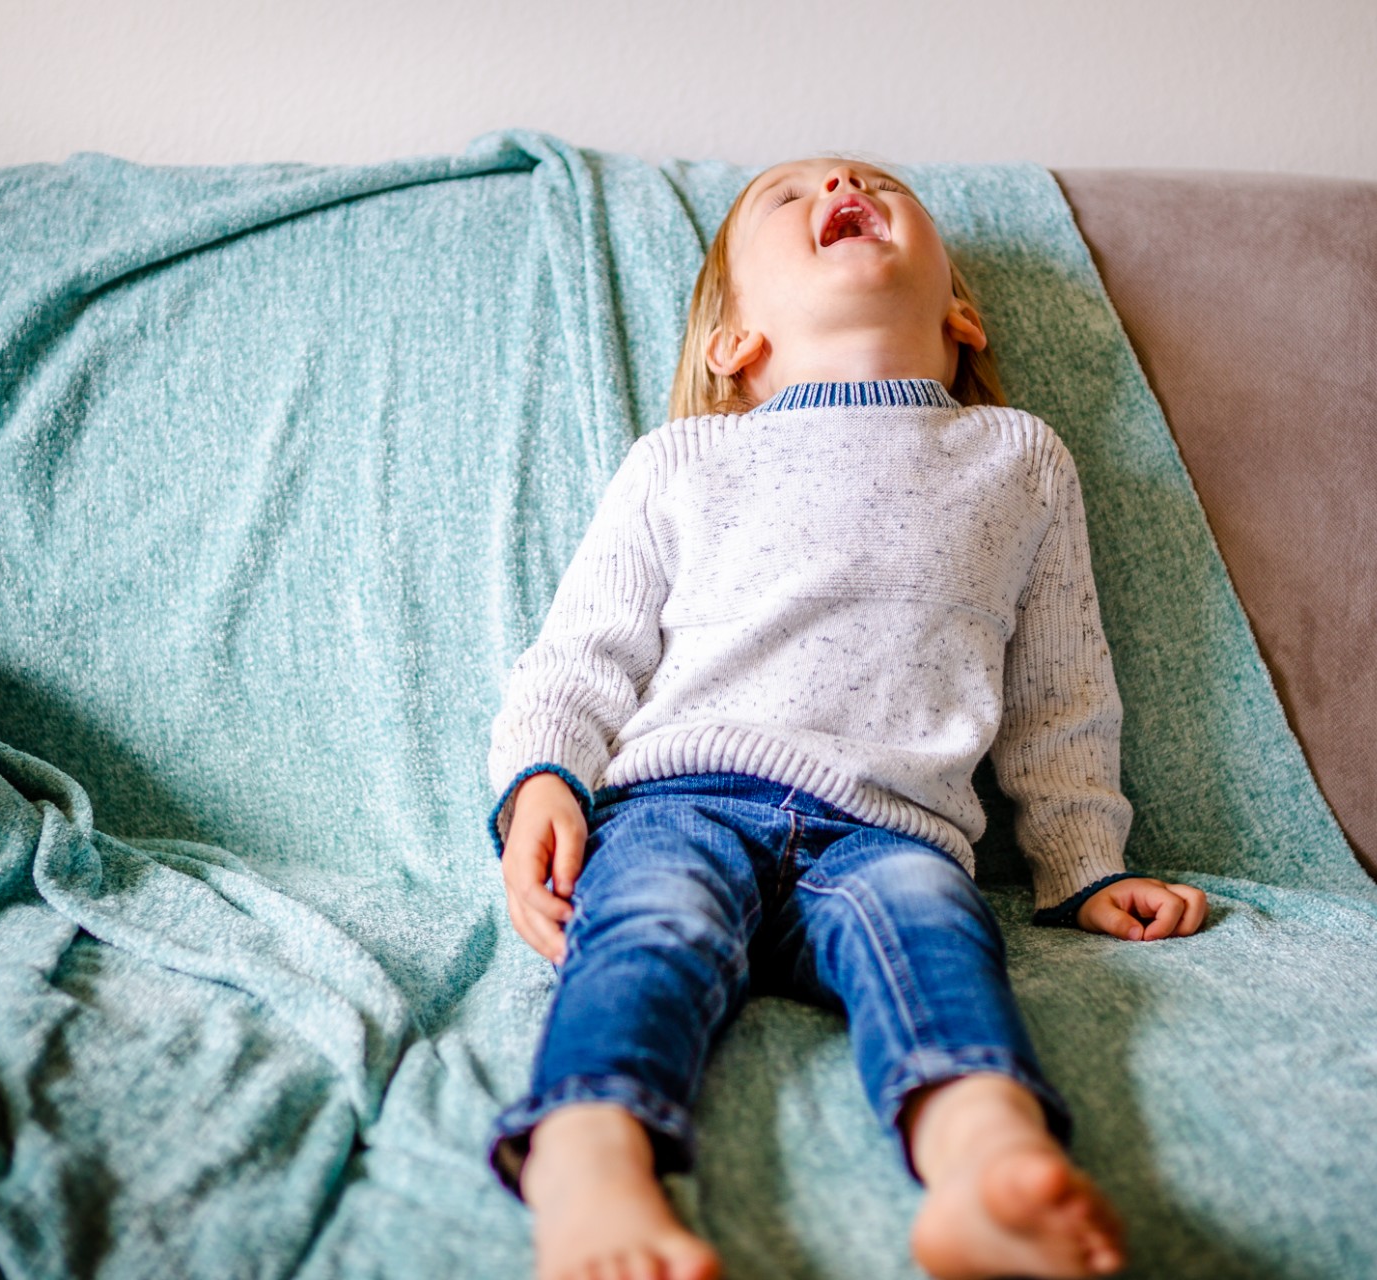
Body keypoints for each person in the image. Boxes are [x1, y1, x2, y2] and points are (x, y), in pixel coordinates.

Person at [487, 155, 1209, 1280]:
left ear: (960, 317)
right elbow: (583, 650)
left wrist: (1084, 865)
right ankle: (587, 1164)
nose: (838, 184)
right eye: (791, 197)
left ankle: (989, 1166)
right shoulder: (681, 461)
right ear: (734, 343)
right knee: (648, 931)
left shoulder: (1019, 458)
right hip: (681, 803)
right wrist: (542, 776)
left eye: (875, 183)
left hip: (893, 830)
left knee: (938, 943)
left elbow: (1062, 694)